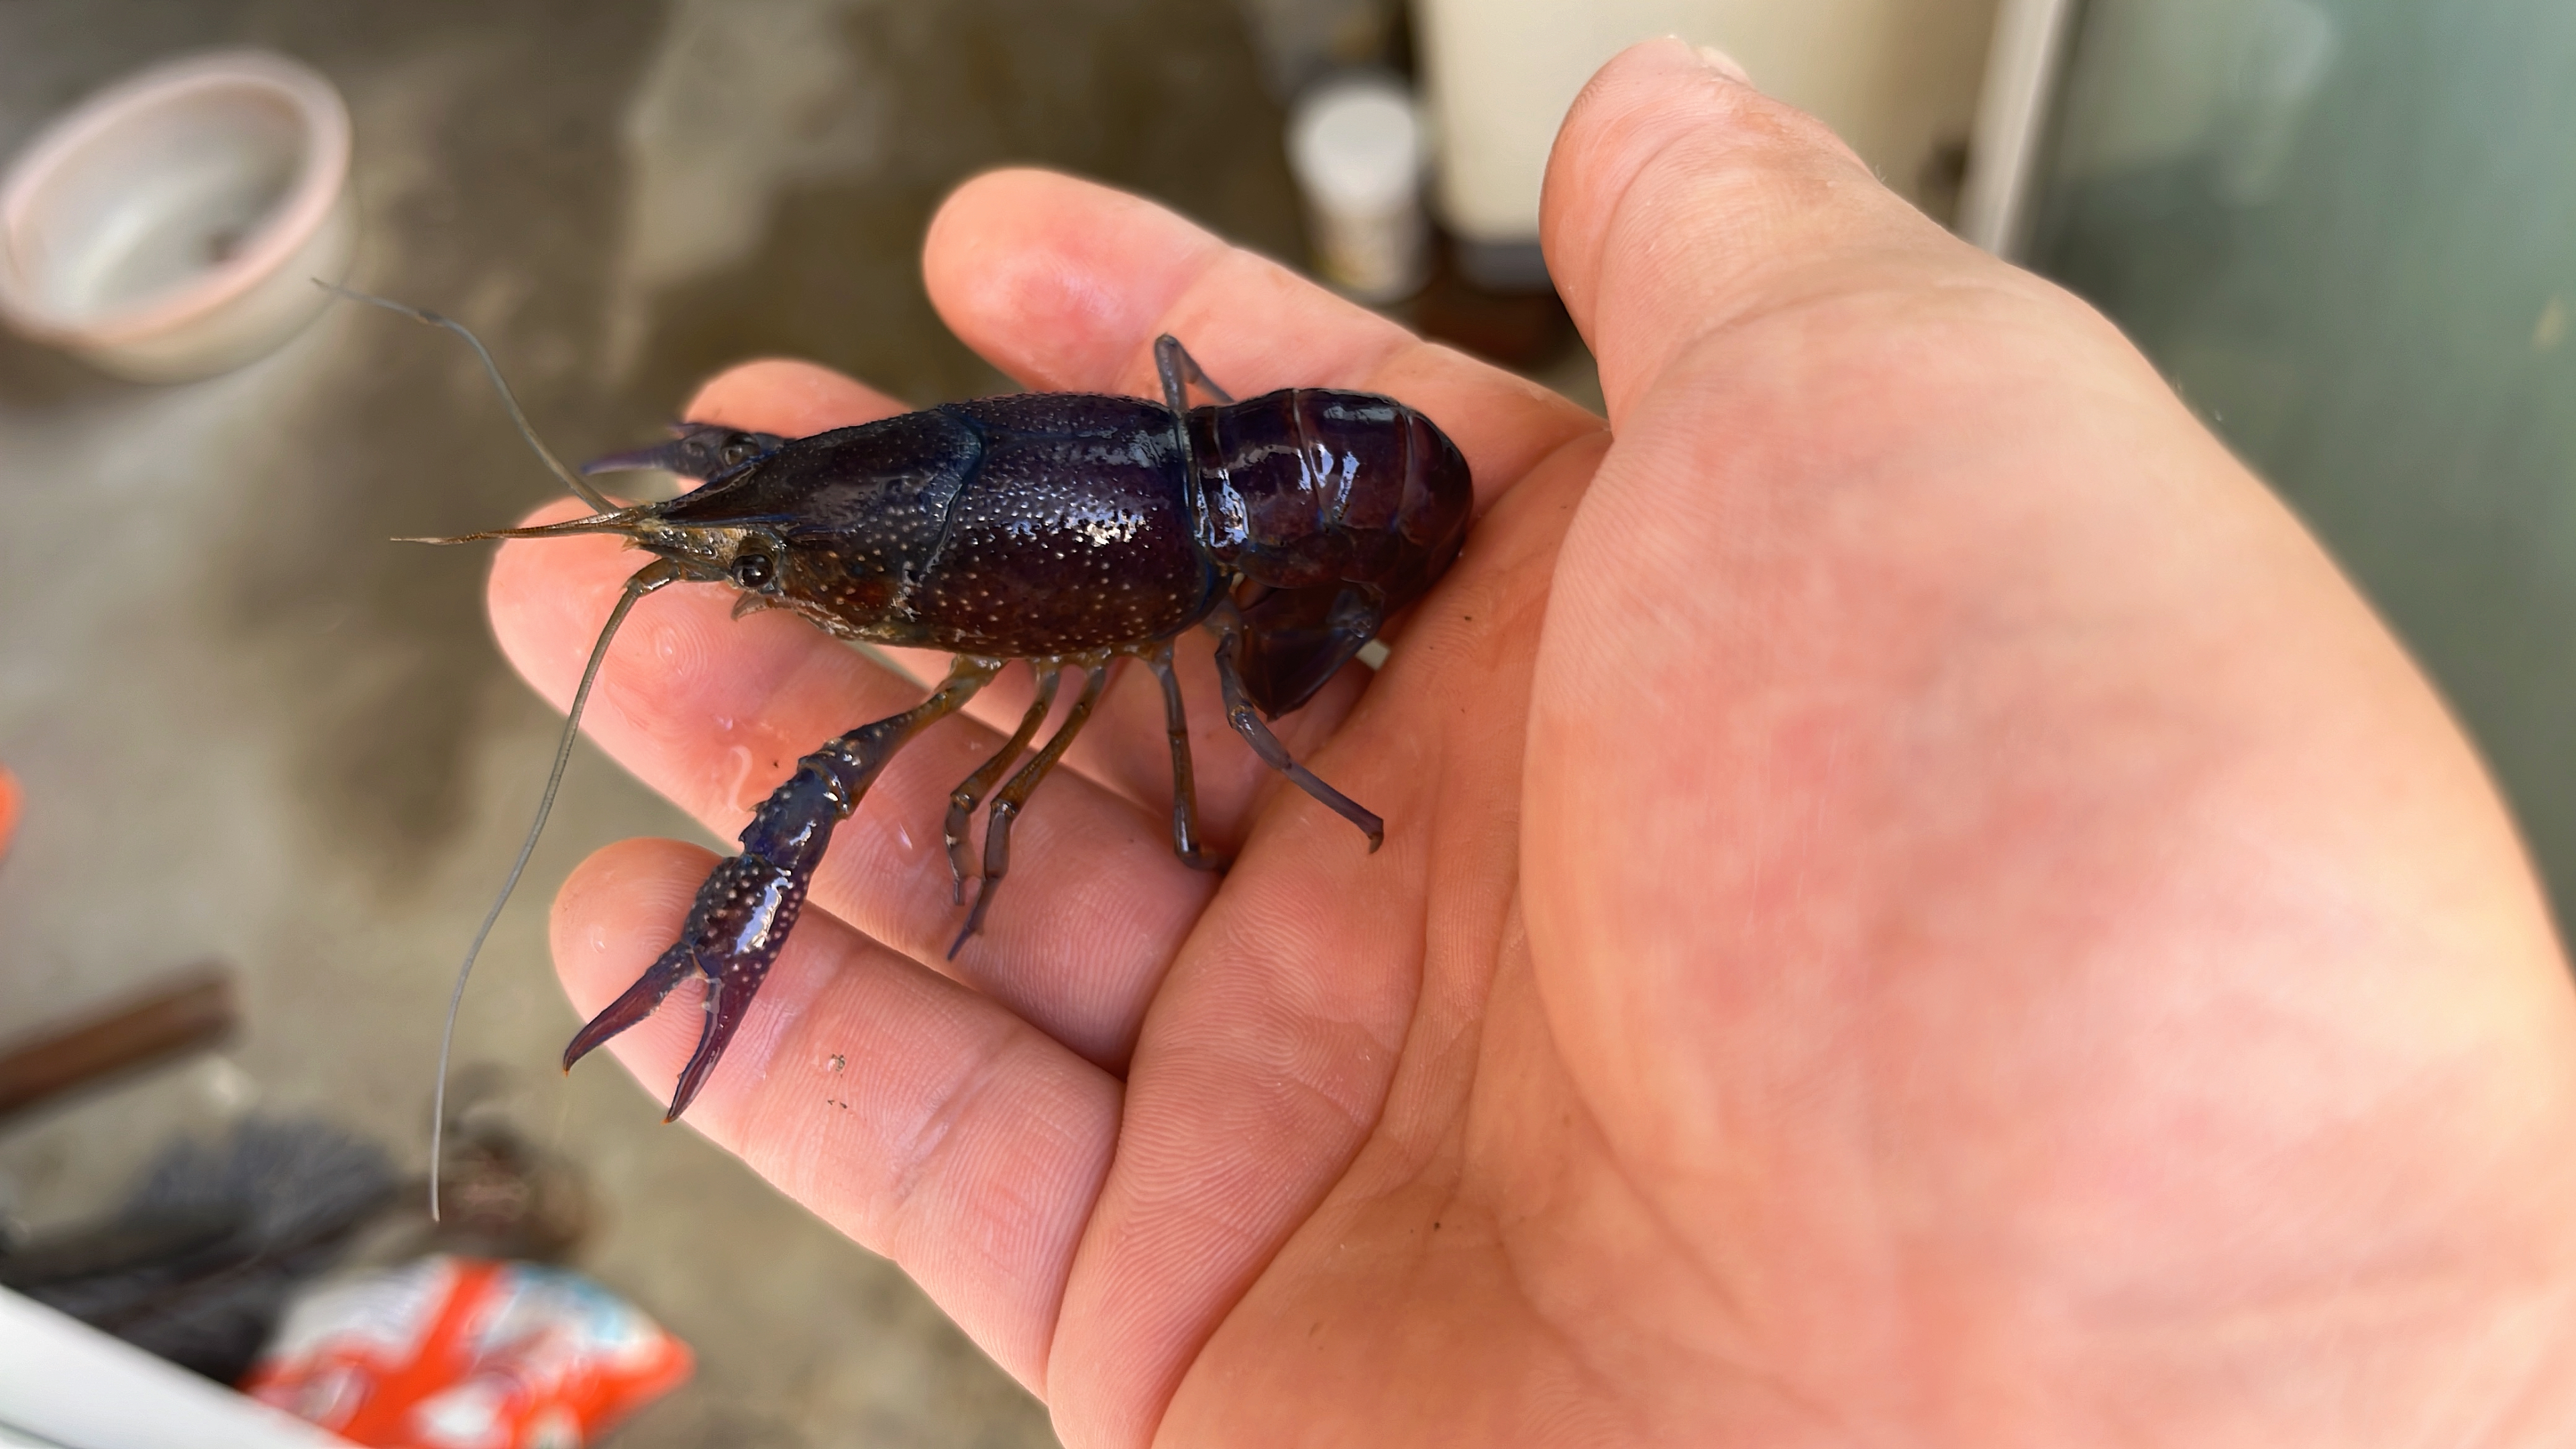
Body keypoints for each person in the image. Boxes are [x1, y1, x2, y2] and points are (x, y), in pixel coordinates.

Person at [486, 40, 2576, 1446]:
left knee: (898, 752)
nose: (818, 581)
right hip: (1208, 496)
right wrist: (774, 513)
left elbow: (1022, 718)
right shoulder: (1001, 544)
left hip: (1350, 502)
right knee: (806, 530)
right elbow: (923, 523)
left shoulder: (1077, 623)